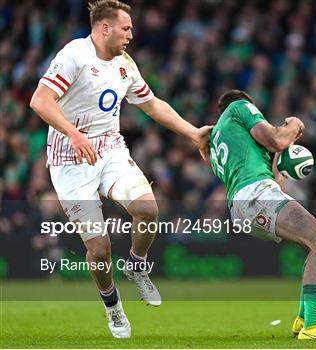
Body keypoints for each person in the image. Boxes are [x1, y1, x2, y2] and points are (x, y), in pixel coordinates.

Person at [29, 0, 212, 339]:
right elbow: (40, 100)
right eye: (126, 28)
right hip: (70, 160)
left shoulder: (124, 64)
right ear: (105, 28)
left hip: (110, 149)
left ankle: (137, 265)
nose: (131, 34)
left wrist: (192, 133)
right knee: (99, 249)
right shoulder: (75, 55)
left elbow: (152, 104)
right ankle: (113, 308)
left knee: (148, 209)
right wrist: (73, 133)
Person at [209, 89, 316, 340]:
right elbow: (276, 139)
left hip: (245, 204)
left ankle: (303, 320)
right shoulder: (239, 107)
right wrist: (295, 125)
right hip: (257, 194)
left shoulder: (219, 140)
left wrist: (281, 157)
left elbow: (275, 177)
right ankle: (313, 326)